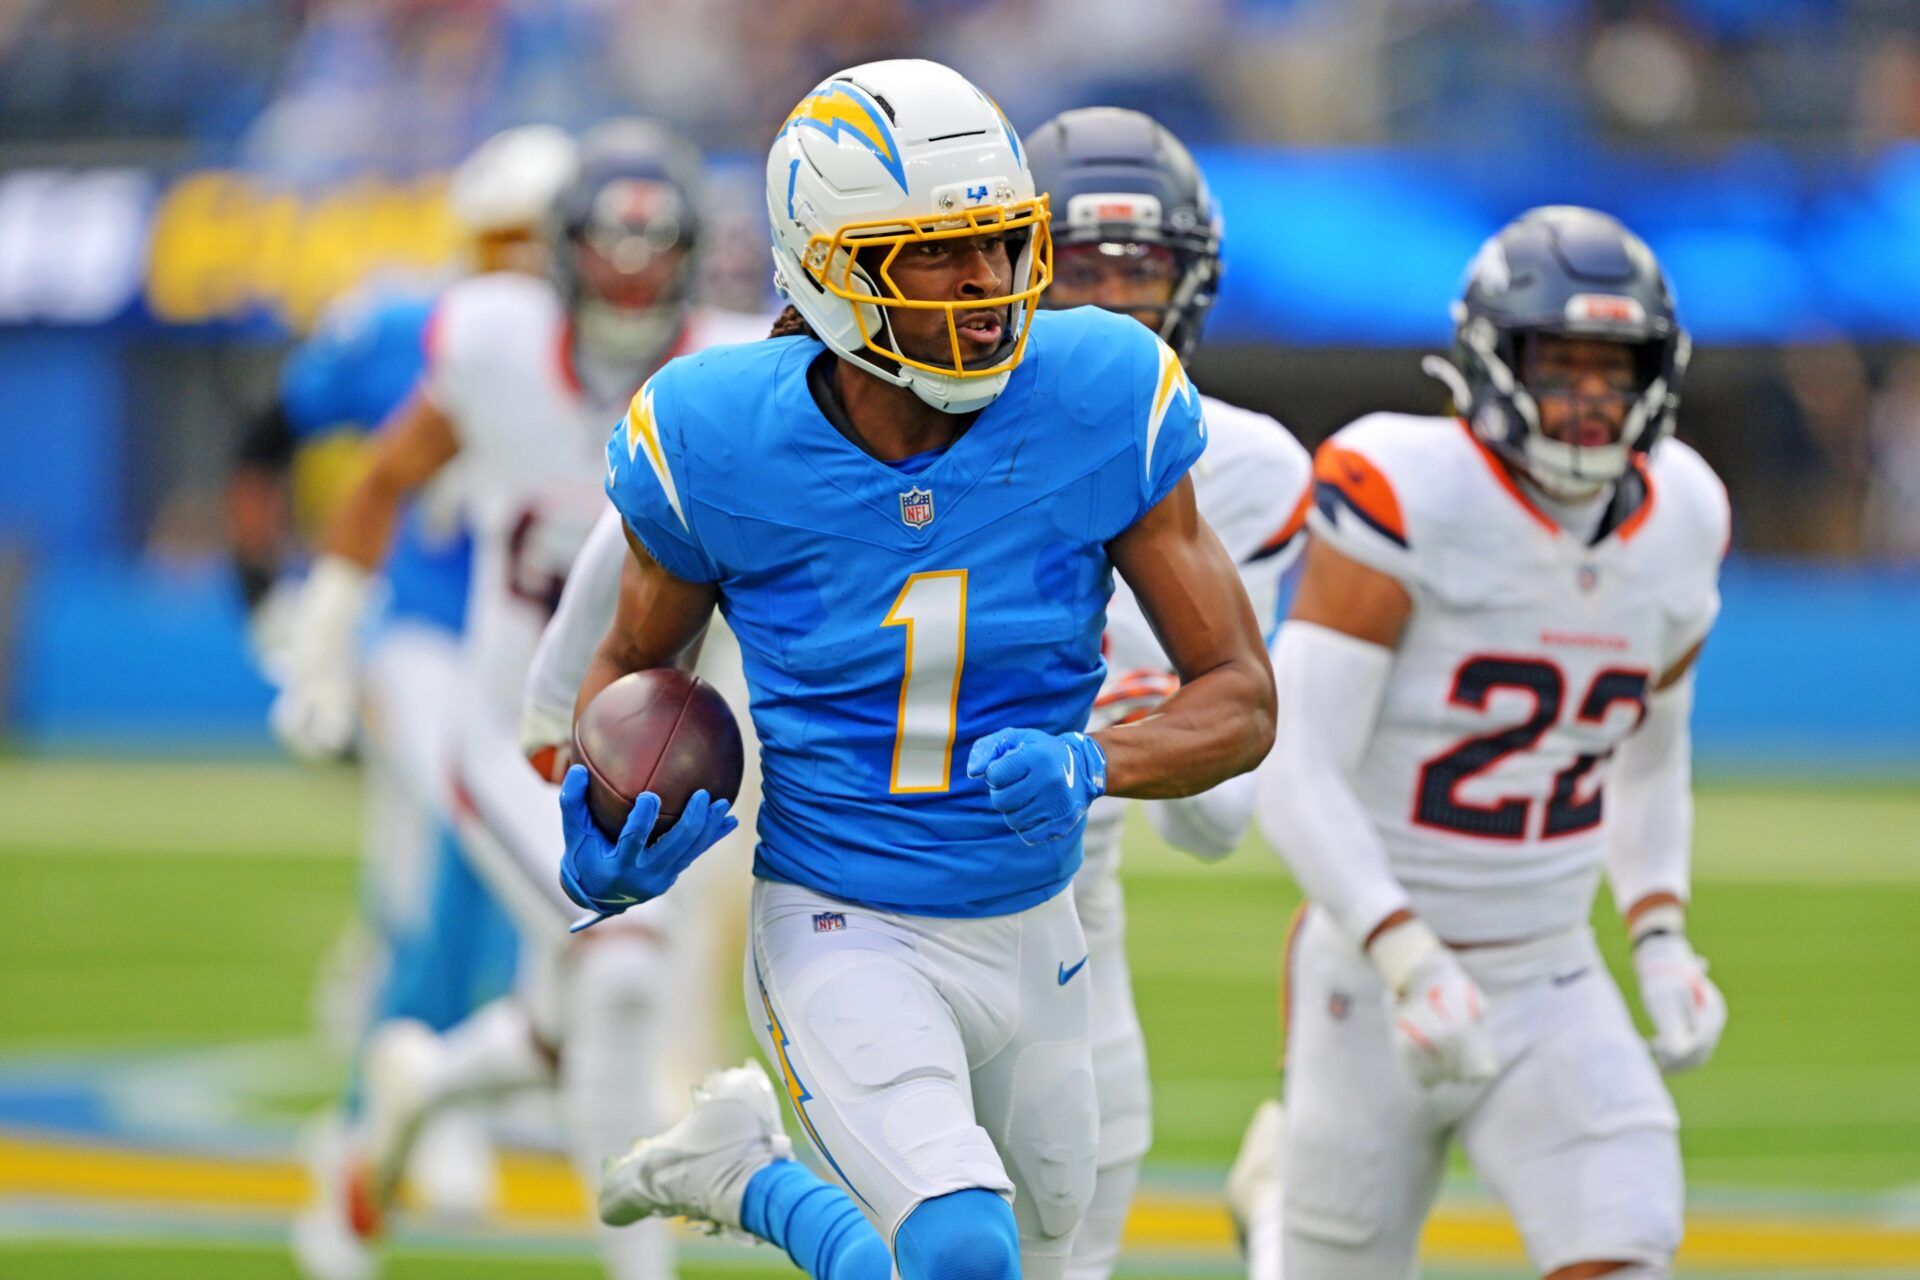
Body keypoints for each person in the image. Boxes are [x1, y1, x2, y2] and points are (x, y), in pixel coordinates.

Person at [566, 60, 1275, 1280]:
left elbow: (1243, 695)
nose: (988, 286)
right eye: (936, 256)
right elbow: (633, 664)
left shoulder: (1102, 394)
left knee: (1029, 1257)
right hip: (843, 912)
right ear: (828, 267)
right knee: (959, 1252)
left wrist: (1092, 759)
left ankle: (744, 1172)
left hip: (1035, 918)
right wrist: (601, 805)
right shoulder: (716, 433)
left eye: (1000, 247)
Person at [275, 118, 764, 1280]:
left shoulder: (733, 373)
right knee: (629, 964)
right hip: (513, 735)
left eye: (656, 247)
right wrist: (324, 637)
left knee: (571, 1016)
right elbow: (386, 475)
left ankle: (407, 1101)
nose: (631, 273)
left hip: (644, 758)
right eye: (609, 243)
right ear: (560, 251)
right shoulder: (493, 346)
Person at [1249, 206, 1729, 1280]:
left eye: (1616, 368)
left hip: (1552, 967)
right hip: (1374, 975)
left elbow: (1651, 749)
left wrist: (1658, 931)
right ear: (1489, 360)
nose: (1591, 397)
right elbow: (1295, 760)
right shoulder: (1409, 488)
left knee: (1626, 1240)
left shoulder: (1689, 511)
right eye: (1559, 363)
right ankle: (1276, 1215)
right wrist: (1405, 950)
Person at [1023, 105, 1312, 1280]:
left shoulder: (1243, 468)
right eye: (1081, 266)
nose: (1111, 302)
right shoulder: (913, 429)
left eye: (1139, 268)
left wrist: (1134, 728)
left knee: (1068, 1240)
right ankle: (738, 1171)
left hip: (1072, 904)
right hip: (881, 884)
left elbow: (1214, 816)